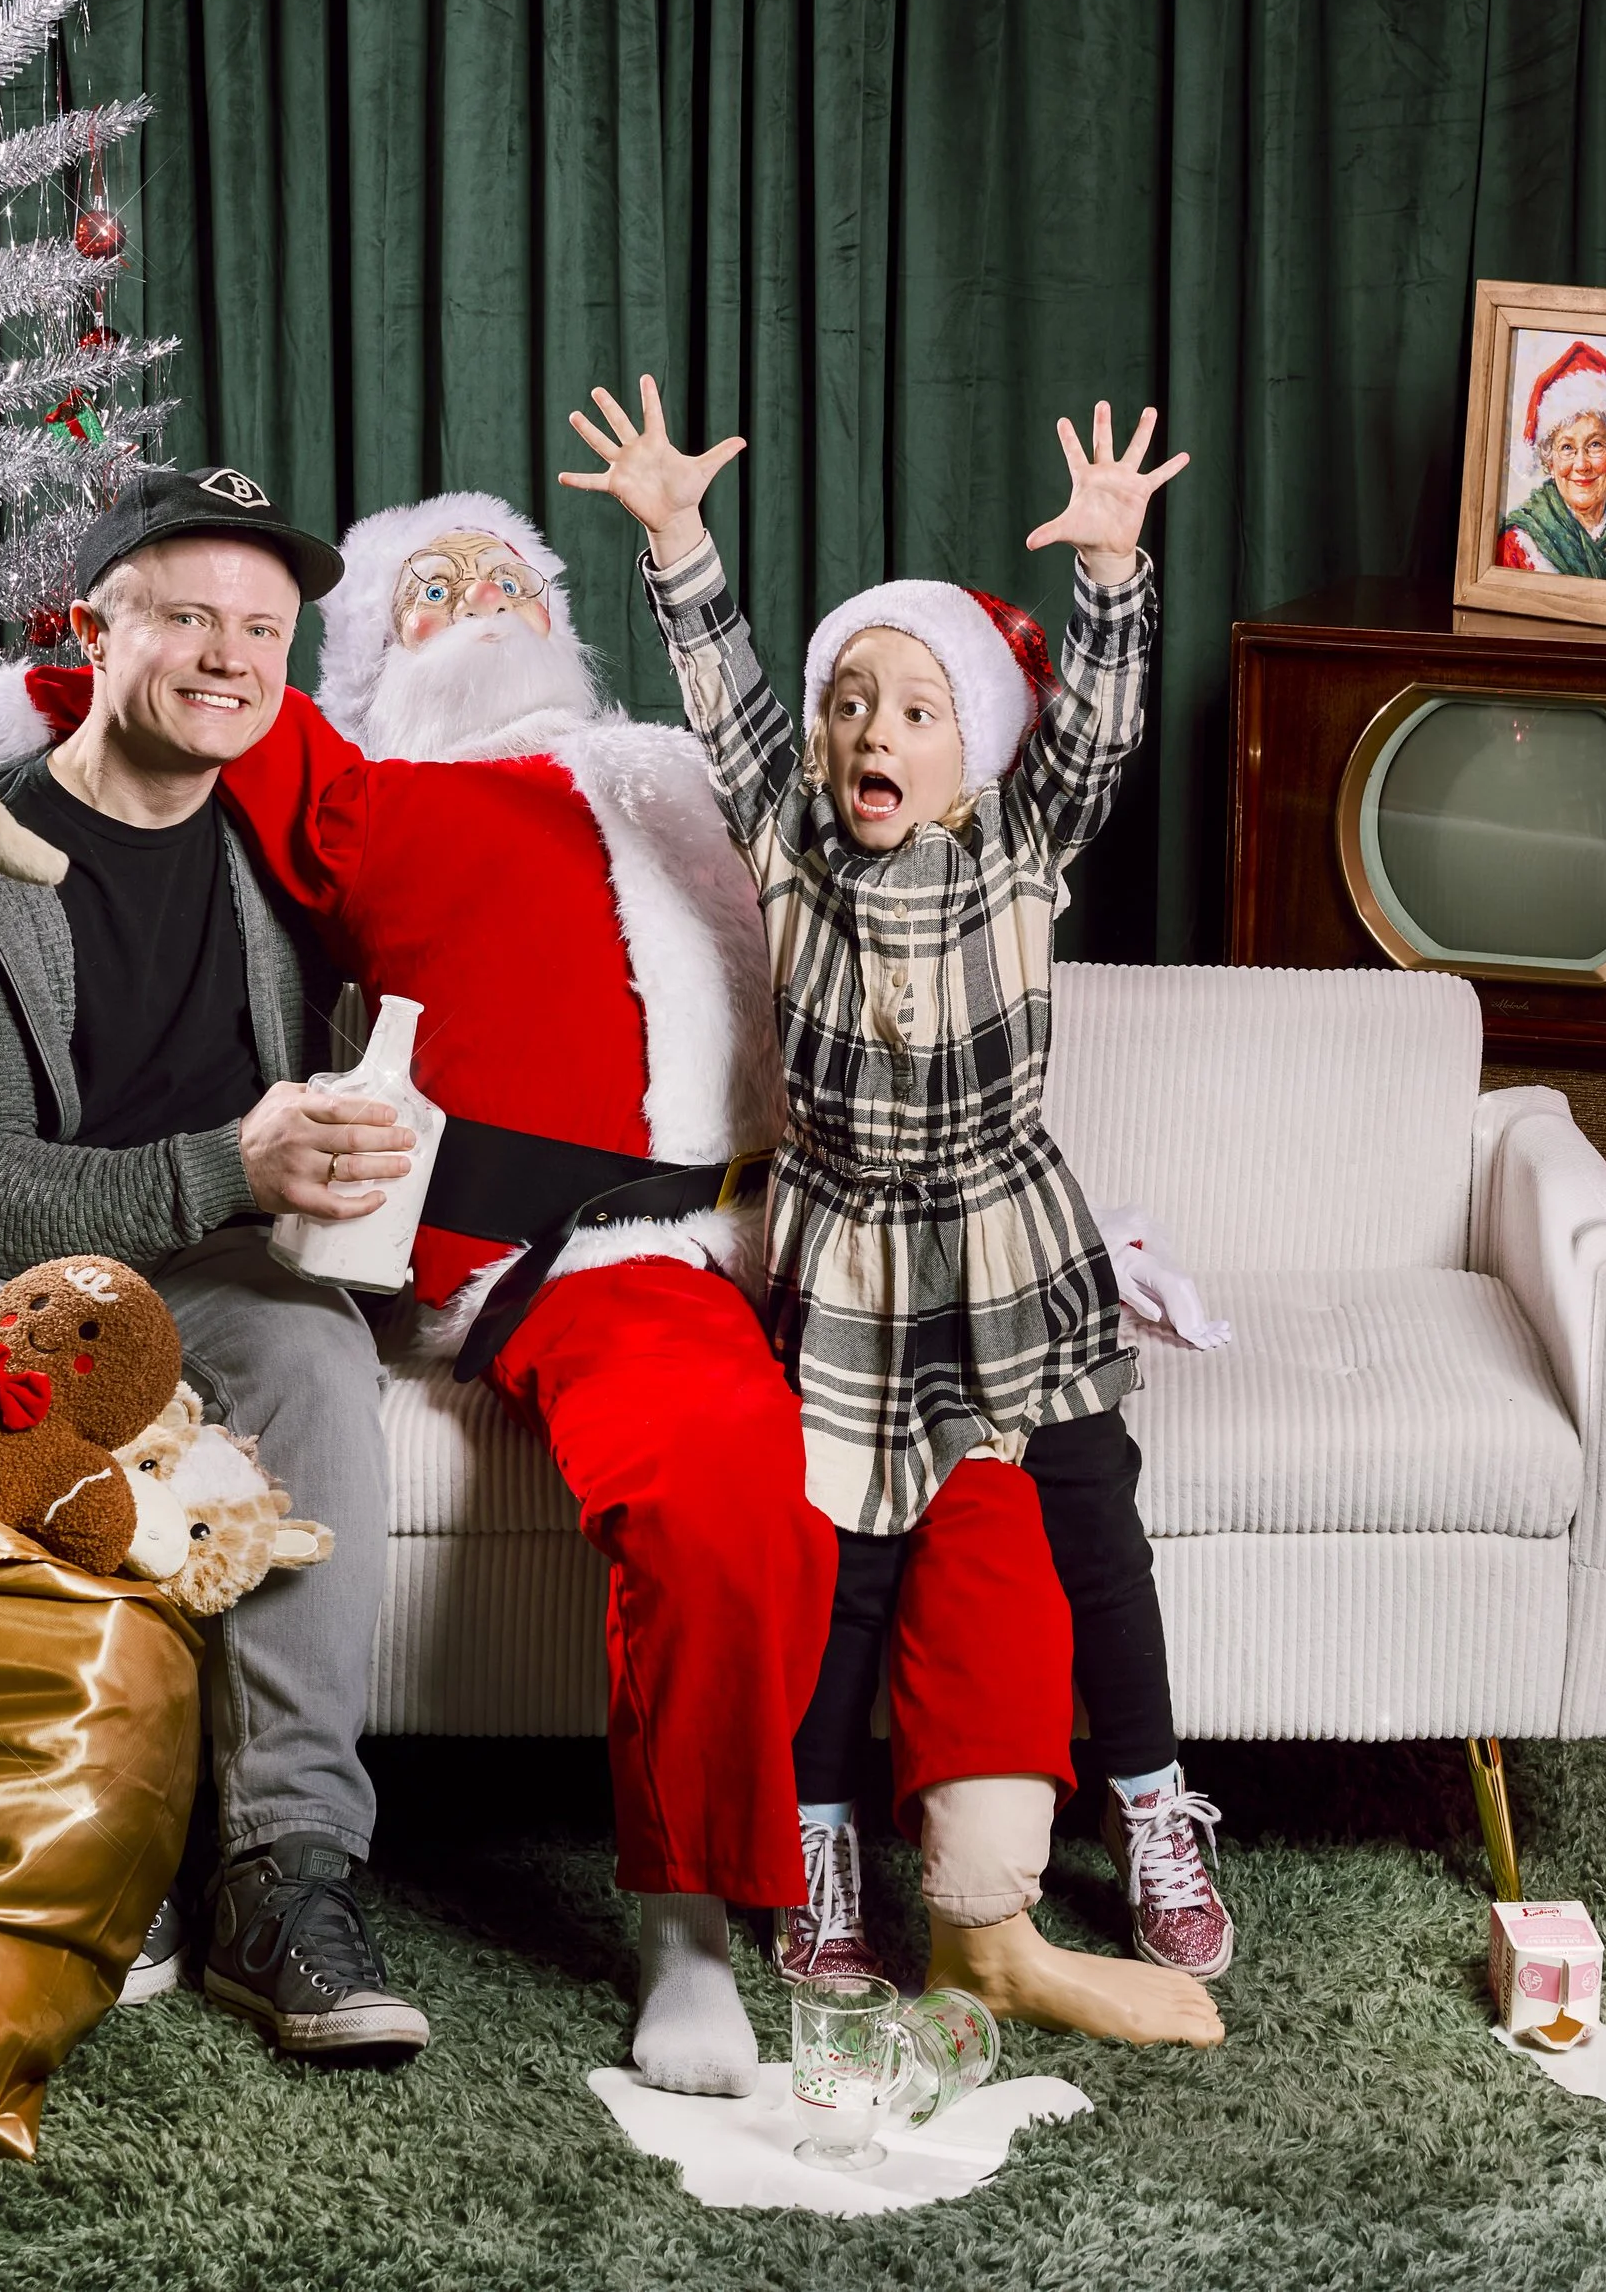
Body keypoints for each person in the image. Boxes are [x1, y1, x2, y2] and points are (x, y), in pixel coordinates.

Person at [564, 376, 1230, 2046]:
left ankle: (1152, 1803)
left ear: (978, 747)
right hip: (851, 1256)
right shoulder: (788, 840)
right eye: (852, 703)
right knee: (844, 1570)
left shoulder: (1026, 839)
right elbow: (722, 704)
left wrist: (1113, 576)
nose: (876, 732)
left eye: (918, 708)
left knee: (1095, 1531)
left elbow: (1099, 725)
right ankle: (824, 1843)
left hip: (1013, 1241)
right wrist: (677, 542)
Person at [193, 487, 834, 2097]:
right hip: (607, 1254)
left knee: (1012, 1447)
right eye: (429, 588)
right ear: (367, 657)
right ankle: (689, 1921)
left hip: (832, 1224)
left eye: (501, 576)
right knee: (712, 1481)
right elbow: (171, 690)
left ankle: (982, 1867)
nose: (474, 601)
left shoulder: (686, 767)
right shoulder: (368, 790)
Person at [0, 465, 433, 2056]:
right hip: (0, 1256)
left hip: (213, 1250)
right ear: (94, 629)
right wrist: (228, 1162)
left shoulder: (285, 851)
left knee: (310, 1355)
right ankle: (92, 1817)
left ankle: (285, 1865)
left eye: (263, 627)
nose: (231, 656)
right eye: (186, 616)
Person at [1496, 340, 1606, 580]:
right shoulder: (1517, 546)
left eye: (1595, 445)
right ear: (1550, 463)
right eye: (1567, 447)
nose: (1581, 465)